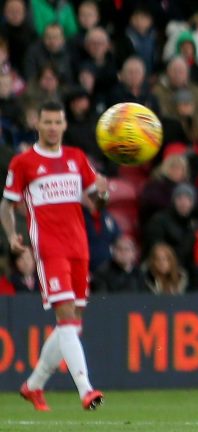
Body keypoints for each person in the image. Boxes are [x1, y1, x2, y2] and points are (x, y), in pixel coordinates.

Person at [2, 100, 107, 411]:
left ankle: (33, 386)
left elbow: (95, 205)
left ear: (64, 125)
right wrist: (11, 235)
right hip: (50, 249)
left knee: (72, 326)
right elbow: (6, 204)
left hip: (79, 248)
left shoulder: (77, 159)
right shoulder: (24, 162)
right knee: (66, 320)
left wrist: (102, 192)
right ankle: (86, 390)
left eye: (57, 122)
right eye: (46, 122)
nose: (51, 127)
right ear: (38, 124)